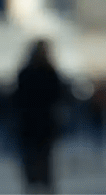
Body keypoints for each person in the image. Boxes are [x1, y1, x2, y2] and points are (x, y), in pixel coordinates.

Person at [11, 40, 67, 194]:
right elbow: (58, 96)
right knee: (45, 157)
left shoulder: (25, 73)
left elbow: (17, 99)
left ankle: (33, 185)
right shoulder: (50, 73)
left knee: (31, 157)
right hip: (45, 123)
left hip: (28, 123)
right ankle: (44, 185)